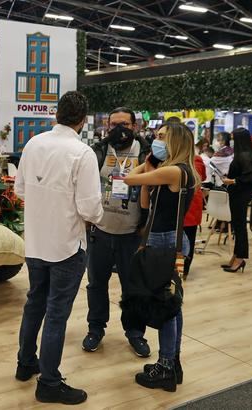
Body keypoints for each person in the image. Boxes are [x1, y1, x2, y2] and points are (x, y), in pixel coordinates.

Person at [14, 91, 104, 405]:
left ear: (57, 114)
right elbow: (90, 208)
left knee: (34, 303)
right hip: (67, 245)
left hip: (36, 241)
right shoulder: (83, 153)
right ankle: (49, 382)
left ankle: (26, 363)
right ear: (83, 120)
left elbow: (20, 188)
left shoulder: (33, 144)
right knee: (56, 315)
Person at [124, 121, 199, 392]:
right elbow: (145, 203)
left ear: (176, 142)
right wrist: (152, 168)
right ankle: (172, 362)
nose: (157, 140)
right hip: (170, 240)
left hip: (165, 243)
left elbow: (129, 178)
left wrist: (146, 163)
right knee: (173, 304)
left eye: (162, 137)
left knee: (165, 306)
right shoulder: (177, 172)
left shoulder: (175, 171)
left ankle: (166, 366)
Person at [83, 107, 152, 357]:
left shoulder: (146, 153)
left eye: (124, 124)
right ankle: (95, 329)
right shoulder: (98, 150)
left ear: (134, 126)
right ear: (107, 126)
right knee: (96, 285)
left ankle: (135, 333)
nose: (119, 130)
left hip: (132, 233)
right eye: (114, 125)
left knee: (132, 287)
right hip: (101, 231)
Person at [221, 128, 252, 273]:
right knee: (237, 225)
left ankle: (240, 257)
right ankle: (236, 255)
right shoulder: (243, 154)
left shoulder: (245, 155)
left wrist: (233, 181)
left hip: (241, 194)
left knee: (240, 226)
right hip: (238, 193)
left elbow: (250, 177)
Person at [183, 153, 206, 279]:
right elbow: (203, 176)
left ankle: (181, 271)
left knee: (186, 241)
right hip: (190, 205)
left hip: (189, 206)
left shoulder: (194, 160)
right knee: (188, 240)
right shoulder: (197, 159)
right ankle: (182, 271)